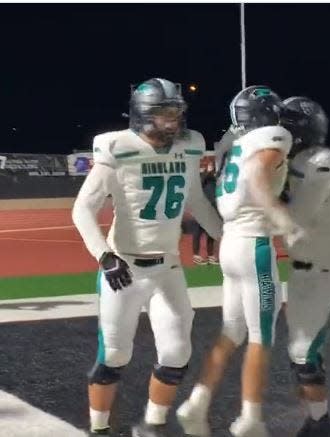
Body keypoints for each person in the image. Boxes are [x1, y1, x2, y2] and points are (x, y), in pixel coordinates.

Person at [71, 78, 222, 437]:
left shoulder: (189, 146)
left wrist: (226, 237)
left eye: (177, 112)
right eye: (165, 113)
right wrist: (104, 256)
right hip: (124, 267)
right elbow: (82, 209)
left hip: (168, 267)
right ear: (143, 115)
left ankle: (152, 427)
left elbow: (196, 201)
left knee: (176, 354)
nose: (173, 121)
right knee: (115, 356)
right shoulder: (118, 146)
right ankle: (99, 430)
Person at [176, 85, 301, 437]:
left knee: (231, 331)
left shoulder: (234, 143)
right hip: (253, 244)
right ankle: (250, 420)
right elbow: (256, 175)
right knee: (261, 336)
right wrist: (281, 217)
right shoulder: (271, 137)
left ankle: (196, 405)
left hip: (230, 241)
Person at [281, 96, 330, 437]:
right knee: (300, 355)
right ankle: (313, 420)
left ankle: (321, 424)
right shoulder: (292, 158)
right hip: (300, 271)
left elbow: (298, 216)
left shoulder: (322, 161)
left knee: (304, 352)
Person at [192, 161, 219, 265]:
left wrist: (212, 173)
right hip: (201, 206)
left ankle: (211, 255)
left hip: (212, 205)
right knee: (198, 231)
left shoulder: (213, 176)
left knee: (210, 231)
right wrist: (207, 172)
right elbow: (199, 183)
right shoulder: (198, 174)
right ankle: (196, 255)